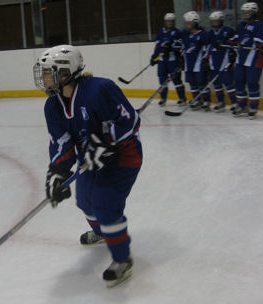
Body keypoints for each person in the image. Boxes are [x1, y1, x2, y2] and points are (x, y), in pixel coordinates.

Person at [33, 45, 142, 287]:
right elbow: (61, 142)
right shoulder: (52, 106)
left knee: (105, 203)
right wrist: (59, 172)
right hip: (89, 159)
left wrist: (107, 141)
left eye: (48, 72)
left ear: (65, 73)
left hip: (123, 156)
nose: (43, 78)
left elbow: (130, 120)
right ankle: (104, 233)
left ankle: (122, 259)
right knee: (84, 200)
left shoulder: (100, 89)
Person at [224, 2, 263, 119]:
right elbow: (235, 39)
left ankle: (253, 108)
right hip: (241, 59)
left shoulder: (260, 25)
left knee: (252, 83)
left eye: (248, 12)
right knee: (238, 82)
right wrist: (223, 44)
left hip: (255, 60)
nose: (245, 14)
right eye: (244, 12)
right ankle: (242, 106)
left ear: (254, 13)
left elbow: (262, 40)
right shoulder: (242, 25)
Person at [150, 13, 186, 107]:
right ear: (165, 21)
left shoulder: (177, 32)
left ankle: (182, 98)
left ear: (174, 22)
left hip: (173, 60)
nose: (169, 23)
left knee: (176, 79)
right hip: (162, 60)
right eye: (168, 21)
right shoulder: (160, 31)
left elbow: (179, 45)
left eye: (171, 21)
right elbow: (158, 45)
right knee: (162, 79)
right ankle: (163, 98)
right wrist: (154, 56)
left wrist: (170, 48)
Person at [181, 11, 211, 111]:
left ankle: (206, 101)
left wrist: (205, 59)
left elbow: (207, 48)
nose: (187, 25)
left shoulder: (203, 35)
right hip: (188, 64)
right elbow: (183, 48)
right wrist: (181, 59)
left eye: (189, 23)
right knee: (192, 84)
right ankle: (197, 100)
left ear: (195, 23)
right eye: (186, 23)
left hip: (198, 64)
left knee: (202, 83)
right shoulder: (186, 35)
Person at [207, 11, 237, 112]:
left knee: (228, 83)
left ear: (221, 21)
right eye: (212, 21)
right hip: (213, 61)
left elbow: (234, 44)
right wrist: (205, 59)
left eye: (216, 21)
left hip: (225, 61)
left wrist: (233, 54)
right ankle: (221, 102)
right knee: (216, 84)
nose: (214, 23)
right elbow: (208, 47)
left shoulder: (228, 31)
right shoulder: (210, 33)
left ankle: (235, 103)